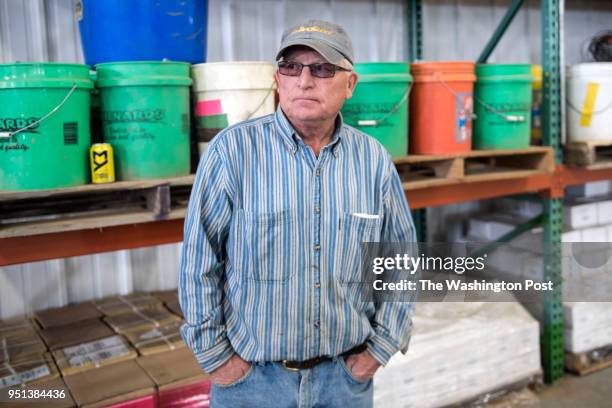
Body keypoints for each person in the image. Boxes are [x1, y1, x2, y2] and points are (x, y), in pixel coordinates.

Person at [179, 19, 416, 408]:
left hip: (343, 382)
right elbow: (199, 260)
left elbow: (400, 258)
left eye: (322, 69)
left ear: (350, 84)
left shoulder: (373, 160)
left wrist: (380, 348)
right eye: (292, 67)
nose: (304, 80)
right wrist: (217, 359)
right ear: (278, 79)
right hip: (252, 384)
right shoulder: (233, 153)